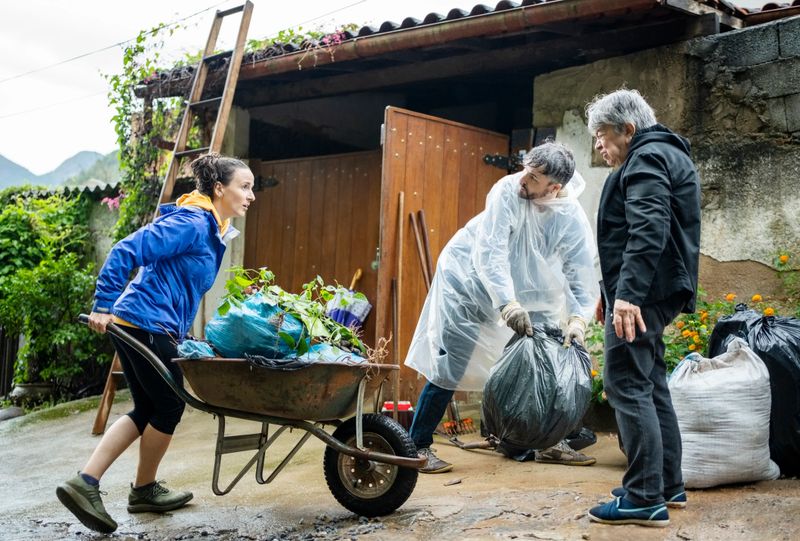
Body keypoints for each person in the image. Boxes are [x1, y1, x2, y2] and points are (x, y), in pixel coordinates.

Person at [56, 154, 256, 533]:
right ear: (219, 189)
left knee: (150, 407)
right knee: (167, 405)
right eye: (244, 187)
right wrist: (102, 304)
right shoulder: (193, 222)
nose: (251, 195)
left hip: (149, 323)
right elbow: (127, 250)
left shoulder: (212, 227)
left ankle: (113, 485)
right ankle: (114, 486)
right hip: (145, 322)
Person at [404, 141, 600, 473]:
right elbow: (490, 253)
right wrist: (507, 304)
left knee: (546, 357)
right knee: (451, 363)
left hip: (525, 292)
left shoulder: (569, 217)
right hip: (467, 281)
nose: (524, 179)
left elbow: (580, 269)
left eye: (535, 177)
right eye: (526, 169)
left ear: (554, 187)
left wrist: (579, 316)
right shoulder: (507, 192)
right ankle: (416, 447)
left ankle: (546, 441)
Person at [585, 89, 700, 528]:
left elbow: (649, 228)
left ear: (627, 129)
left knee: (626, 384)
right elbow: (631, 234)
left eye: (602, 135)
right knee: (650, 383)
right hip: (648, 290)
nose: (599, 144)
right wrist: (609, 291)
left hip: (645, 293)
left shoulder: (647, 158)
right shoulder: (661, 154)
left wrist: (627, 295)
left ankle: (642, 498)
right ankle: (666, 484)